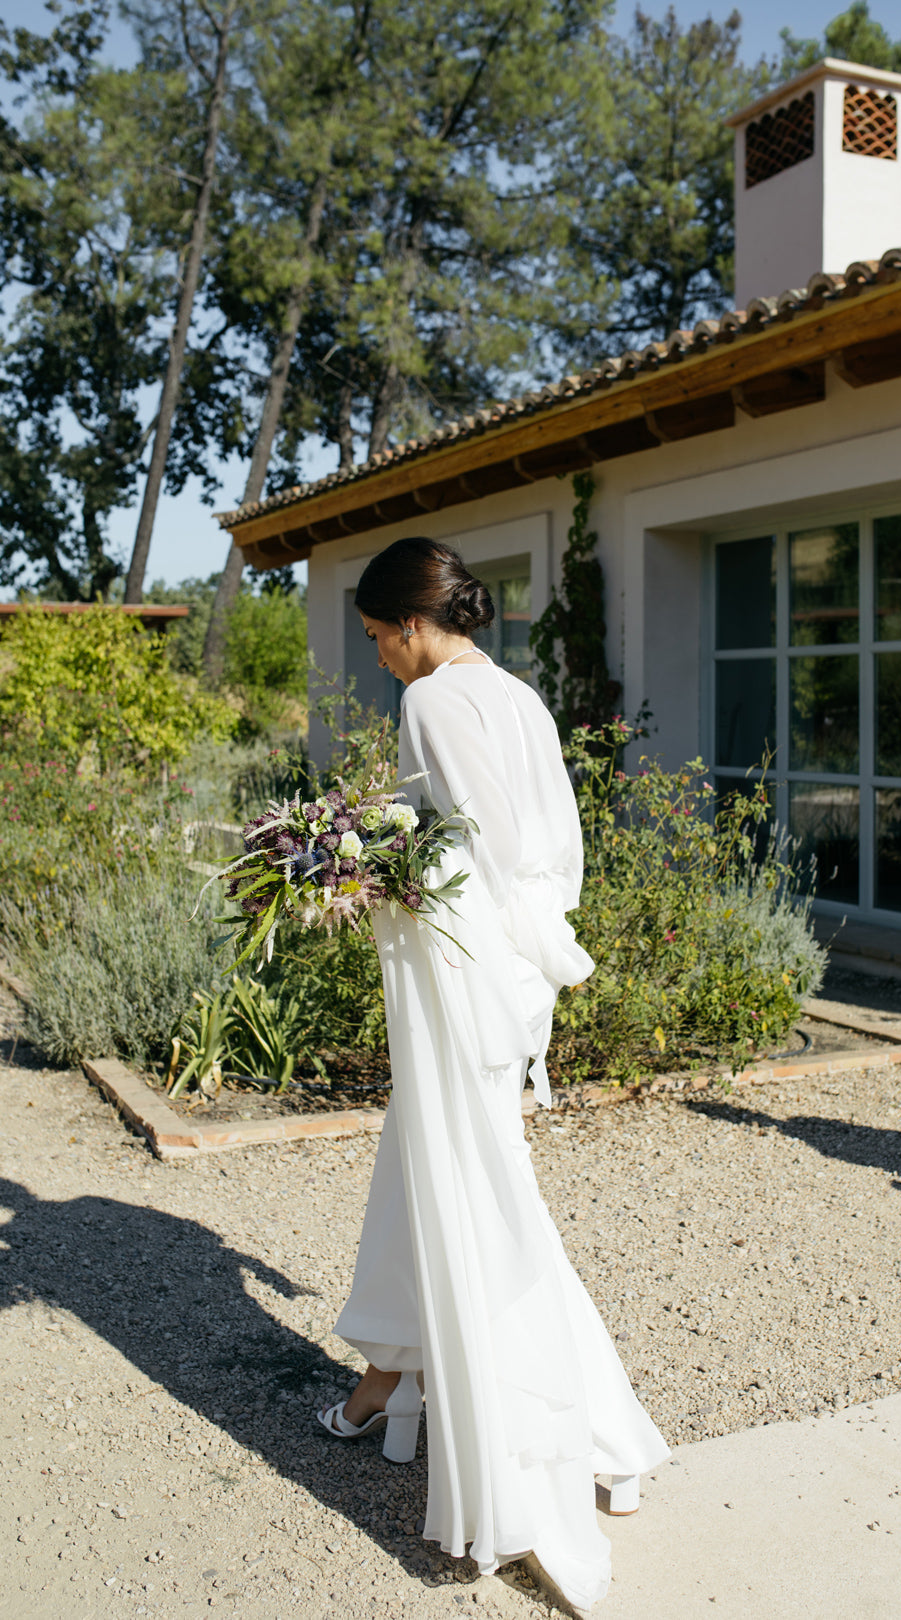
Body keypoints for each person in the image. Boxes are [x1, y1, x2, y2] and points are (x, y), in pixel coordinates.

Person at [317, 537, 669, 1610]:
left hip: (457, 975)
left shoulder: (432, 705)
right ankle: (391, 1377)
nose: (380, 657)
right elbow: (548, 851)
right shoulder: (516, 694)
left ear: (413, 624)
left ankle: (583, 1433)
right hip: (502, 971)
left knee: (479, 1193)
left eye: (380, 637)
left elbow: (483, 847)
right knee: (433, 1174)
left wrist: (370, 876)